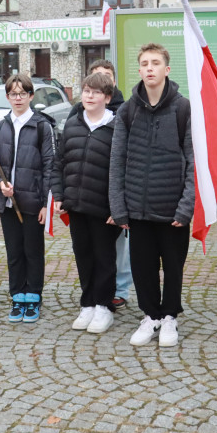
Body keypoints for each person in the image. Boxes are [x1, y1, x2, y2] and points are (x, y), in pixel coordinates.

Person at [109, 44, 195, 348]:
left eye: (155, 63)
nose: (149, 68)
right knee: (142, 267)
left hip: (172, 209)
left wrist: (186, 207)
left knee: (173, 266)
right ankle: (151, 315)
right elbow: (117, 159)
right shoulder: (127, 109)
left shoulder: (182, 108)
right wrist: (119, 207)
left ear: (166, 70)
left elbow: (192, 161)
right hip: (138, 207)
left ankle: (170, 316)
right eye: (144, 63)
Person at [52, 72, 119, 334]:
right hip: (76, 203)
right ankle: (88, 303)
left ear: (107, 98)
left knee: (104, 257)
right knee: (83, 255)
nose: (89, 97)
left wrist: (118, 207)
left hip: (104, 207)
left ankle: (104, 306)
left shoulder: (116, 127)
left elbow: (121, 169)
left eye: (96, 92)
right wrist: (59, 195)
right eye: (86, 91)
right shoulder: (73, 124)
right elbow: (59, 163)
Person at [0, 73, 56, 323]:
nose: (18, 98)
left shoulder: (41, 126)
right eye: (13, 94)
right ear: (7, 97)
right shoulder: (0, 127)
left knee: (33, 251)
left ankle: (33, 296)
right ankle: (18, 296)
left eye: (22, 93)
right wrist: (0, 182)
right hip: (8, 202)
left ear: (30, 96)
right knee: (14, 251)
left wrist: (47, 204)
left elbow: (50, 165)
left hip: (33, 201)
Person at [87, 59, 131, 310]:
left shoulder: (126, 110)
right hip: (91, 191)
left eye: (107, 75)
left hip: (116, 189)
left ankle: (120, 288)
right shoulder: (79, 111)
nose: (102, 79)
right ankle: (97, 286)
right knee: (95, 246)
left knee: (120, 245)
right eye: (97, 75)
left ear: (113, 81)